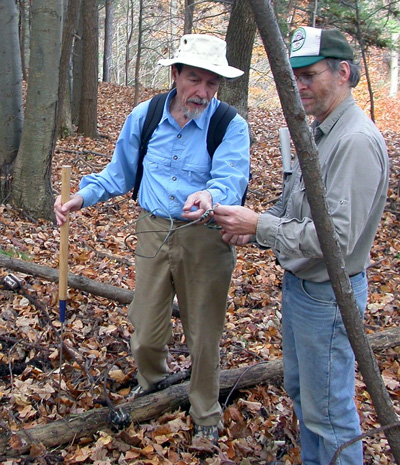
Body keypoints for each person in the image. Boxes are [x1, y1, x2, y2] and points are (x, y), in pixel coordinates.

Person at [54, 34, 250, 444]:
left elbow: (232, 178)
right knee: (144, 328)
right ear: (175, 74)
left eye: (212, 83)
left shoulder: (228, 125)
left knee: (203, 333)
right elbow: (119, 173)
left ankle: (205, 413)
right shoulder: (145, 115)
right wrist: (81, 197)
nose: (203, 92)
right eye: (195, 79)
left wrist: (210, 196)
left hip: (207, 236)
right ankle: (155, 382)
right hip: (154, 229)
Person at [212, 26, 389, 464]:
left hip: (329, 298)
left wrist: (262, 225)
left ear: (343, 71)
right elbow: (298, 210)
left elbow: (338, 242)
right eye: (295, 77)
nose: (301, 86)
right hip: (303, 289)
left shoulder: (355, 141)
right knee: (306, 399)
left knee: (329, 416)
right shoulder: (319, 132)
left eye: (310, 75)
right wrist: (253, 228)